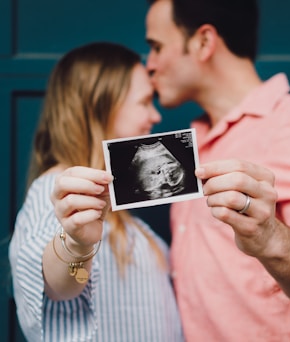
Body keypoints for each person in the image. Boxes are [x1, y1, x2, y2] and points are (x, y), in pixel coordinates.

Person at [145, 0, 290, 340]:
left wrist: (269, 237)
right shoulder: (189, 144)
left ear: (204, 42)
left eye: (156, 47)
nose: (150, 65)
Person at [9, 41, 183, 342]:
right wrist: (76, 245)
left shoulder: (116, 210)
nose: (155, 116)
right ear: (99, 107)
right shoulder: (58, 193)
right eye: (143, 102)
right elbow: (58, 285)